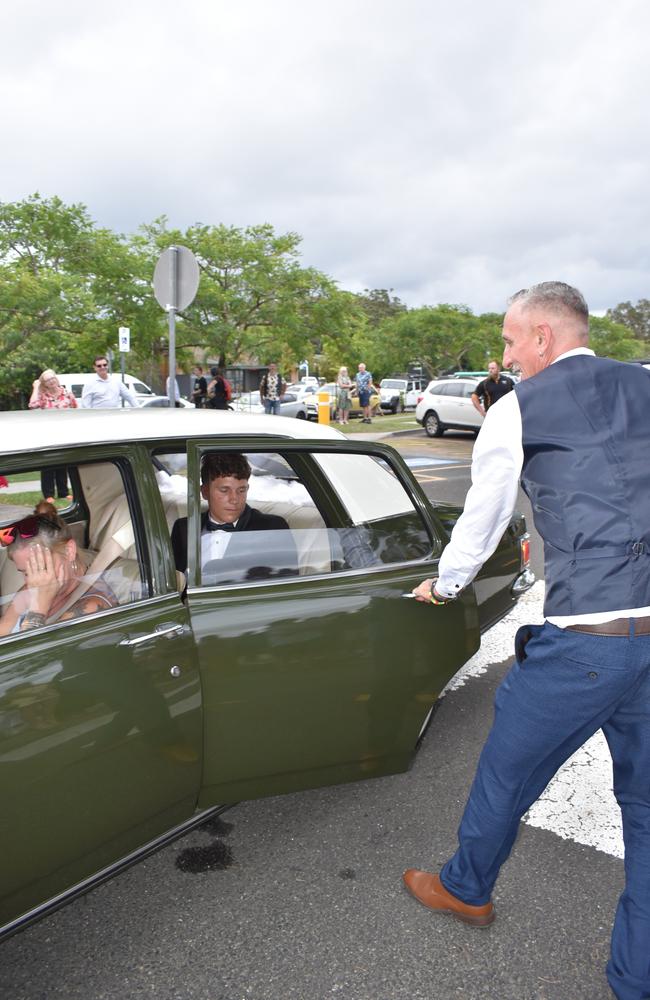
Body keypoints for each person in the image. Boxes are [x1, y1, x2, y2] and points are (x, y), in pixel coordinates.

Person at [404, 281, 650, 1000]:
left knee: (507, 771)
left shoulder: (516, 408)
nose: (506, 355)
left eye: (512, 340)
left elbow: (482, 519)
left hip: (585, 640)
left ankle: (467, 887)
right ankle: (635, 978)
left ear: (544, 336)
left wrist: (446, 585)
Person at [171, 452, 299, 583]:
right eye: (224, 490)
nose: (234, 499)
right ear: (205, 492)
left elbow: (287, 586)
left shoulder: (271, 529)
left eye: (241, 490)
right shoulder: (184, 528)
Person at [0, 501, 118, 635]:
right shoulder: (33, 586)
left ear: (69, 551)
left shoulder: (90, 608)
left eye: (40, 568)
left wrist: (38, 609)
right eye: (26, 573)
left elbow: (34, 654)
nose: (32, 580)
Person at [28, 369, 77, 501]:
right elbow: (32, 406)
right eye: (47, 380)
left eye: (53, 378)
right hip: (47, 433)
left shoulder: (67, 394)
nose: (51, 381)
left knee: (63, 463)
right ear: (44, 383)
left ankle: (63, 492)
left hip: (64, 433)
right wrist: (36, 387)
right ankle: (48, 495)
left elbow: (75, 410)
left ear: (57, 379)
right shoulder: (43, 396)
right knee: (48, 464)